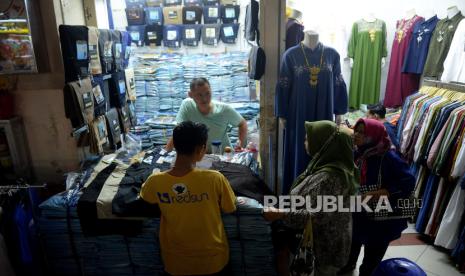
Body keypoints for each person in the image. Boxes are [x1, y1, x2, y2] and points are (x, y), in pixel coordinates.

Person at [140, 121, 237, 275]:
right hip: (212, 260)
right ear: (201, 149)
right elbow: (230, 207)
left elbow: (147, 197)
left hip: (176, 263)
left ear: (176, 146)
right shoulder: (214, 178)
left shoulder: (154, 181)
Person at [264, 121, 357, 276]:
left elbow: (315, 217)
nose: (305, 142)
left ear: (323, 143)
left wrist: (280, 213)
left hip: (323, 250)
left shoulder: (330, 177)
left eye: (308, 139)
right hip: (322, 244)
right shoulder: (324, 165)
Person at [338, 118, 415, 276]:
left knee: (373, 253)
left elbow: (408, 181)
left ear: (373, 135)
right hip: (360, 210)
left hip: (382, 215)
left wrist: (385, 191)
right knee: (353, 240)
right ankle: (349, 265)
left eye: (362, 132)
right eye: (356, 131)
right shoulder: (358, 153)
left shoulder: (388, 157)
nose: (356, 135)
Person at [165, 77, 248, 152]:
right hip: (200, 156)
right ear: (190, 95)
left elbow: (242, 123)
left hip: (223, 156)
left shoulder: (224, 110)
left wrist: (241, 146)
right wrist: (165, 153)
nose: (204, 99)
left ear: (211, 91)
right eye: (199, 95)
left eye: (207, 93)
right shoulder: (187, 106)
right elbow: (178, 131)